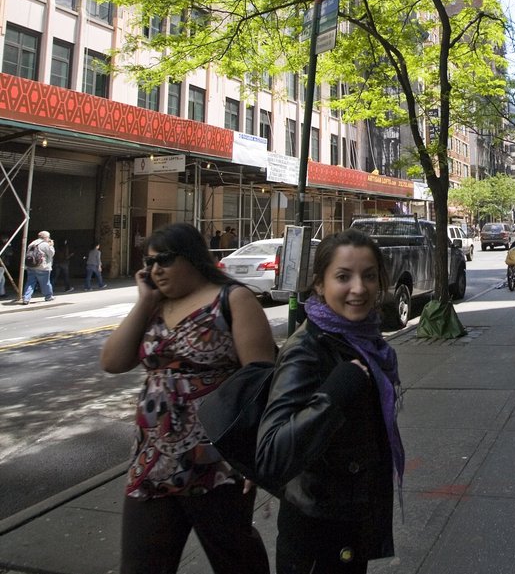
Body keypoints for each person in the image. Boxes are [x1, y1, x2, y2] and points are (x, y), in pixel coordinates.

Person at [100, 222, 275, 574]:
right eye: (148, 263)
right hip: (152, 461)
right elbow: (113, 362)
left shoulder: (232, 299)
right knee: (141, 565)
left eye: (164, 259)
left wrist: (257, 453)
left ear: (193, 257)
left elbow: (262, 380)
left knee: (236, 560)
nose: (155, 270)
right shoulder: (154, 305)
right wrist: (145, 301)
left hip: (217, 463)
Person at [256, 228, 403, 574]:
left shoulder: (362, 339)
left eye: (369, 276)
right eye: (343, 277)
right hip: (315, 535)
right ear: (320, 284)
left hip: (348, 522)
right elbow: (271, 455)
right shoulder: (306, 350)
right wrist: (333, 395)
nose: (359, 288)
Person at [22, 230, 55, 304]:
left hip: (31, 266)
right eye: (48, 237)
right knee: (45, 283)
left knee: (30, 282)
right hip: (42, 267)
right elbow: (51, 254)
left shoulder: (32, 243)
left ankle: (26, 298)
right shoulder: (45, 244)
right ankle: (48, 296)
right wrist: (51, 245)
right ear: (46, 237)